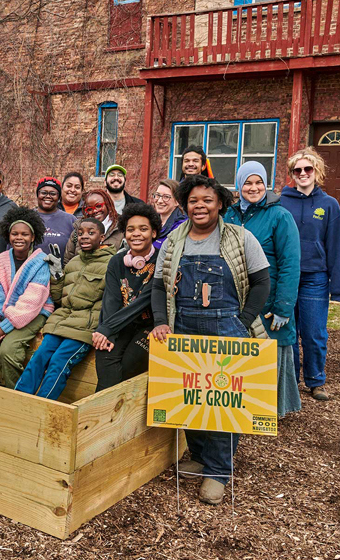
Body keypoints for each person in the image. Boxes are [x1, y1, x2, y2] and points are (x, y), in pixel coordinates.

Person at [150, 174, 270, 506]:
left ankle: (218, 470)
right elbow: (159, 286)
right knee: (192, 393)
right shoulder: (175, 239)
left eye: (207, 200)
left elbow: (262, 282)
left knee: (223, 400)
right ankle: (200, 455)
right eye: (193, 201)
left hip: (227, 327)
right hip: (184, 326)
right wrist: (162, 322)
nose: (199, 206)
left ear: (220, 203)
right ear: (184, 205)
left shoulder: (239, 238)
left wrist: (243, 321)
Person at [226, 161, 301, 417]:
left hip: (269, 297)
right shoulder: (230, 214)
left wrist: (284, 306)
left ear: (266, 184)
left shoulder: (280, 216)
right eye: (247, 182)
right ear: (239, 185)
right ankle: (243, 406)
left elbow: (290, 263)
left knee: (272, 347)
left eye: (259, 182)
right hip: (236, 297)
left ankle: (271, 409)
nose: (253, 187)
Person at [15, 217, 115, 400]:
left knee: (59, 362)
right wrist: (57, 275)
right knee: (39, 357)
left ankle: (43, 405)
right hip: (61, 322)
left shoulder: (111, 264)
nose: (84, 237)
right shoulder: (74, 262)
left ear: (102, 237)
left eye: (90, 233)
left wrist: (104, 329)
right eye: (80, 233)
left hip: (84, 327)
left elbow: (111, 302)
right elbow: (60, 297)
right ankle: (19, 400)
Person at [280, 147, 340, 402]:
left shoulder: (329, 205)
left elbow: (335, 245)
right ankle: (291, 379)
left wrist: (335, 286)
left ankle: (316, 380)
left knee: (314, 332)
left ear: (317, 171)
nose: (303, 173)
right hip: (287, 276)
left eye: (308, 169)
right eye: (297, 170)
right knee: (288, 330)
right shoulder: (281, 201)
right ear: (292, 174)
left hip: (315, 277)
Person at [0, 207, 54, 388]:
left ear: (33, 237)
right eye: (15, 234)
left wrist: (5, 327)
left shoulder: (41, 262)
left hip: (35, 312)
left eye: (25, 234)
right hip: (5, 314)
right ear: (8, 235)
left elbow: (32, 301)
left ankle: (16, 393)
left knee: (8, 350)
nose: (19, 238)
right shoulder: (1, 259)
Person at [94, 203, 161, 391]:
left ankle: (101, 409)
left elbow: (143, 302)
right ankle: (106, 411)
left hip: (150, 327)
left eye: (143, 229)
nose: (136, 234)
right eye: (130, 229)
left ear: (154, 233)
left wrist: (108, 327)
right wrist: (106, 330)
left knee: (129, 364)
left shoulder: (161, 260)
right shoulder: (117, 261)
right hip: (122, 324)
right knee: (104, 354)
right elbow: (112, 300)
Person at [64, 187, 122, 262]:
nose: (94, 211)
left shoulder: (121, 228)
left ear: (108, 204)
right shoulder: (78, 229)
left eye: (98, 206)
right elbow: (67, 261)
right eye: (89, 209)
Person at [34, 177, 76, 256]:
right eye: (43, 193)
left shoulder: (70, 220)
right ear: (38, 195)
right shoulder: (27, 218)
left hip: (62, 268)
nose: (48, 196)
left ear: (59, 197)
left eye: (53, 193)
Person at [152, 178, 187, 249]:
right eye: (157, 195)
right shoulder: (150, 221)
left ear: (177, 201)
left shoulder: (181, 226)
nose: (159, 201)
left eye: (166, 197)